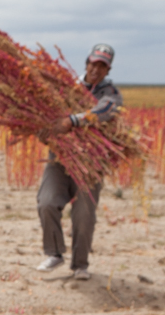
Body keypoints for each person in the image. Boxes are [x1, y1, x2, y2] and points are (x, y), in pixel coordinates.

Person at [35, 43, 123, 280]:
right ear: (86, 63)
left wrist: (73, 120)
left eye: (102, 66)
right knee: (47, 202)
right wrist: (43, 131)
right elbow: (46, 115)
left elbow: (106, 110)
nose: (96, 69)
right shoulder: (66, 88)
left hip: (91, 163)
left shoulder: (110, 93)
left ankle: (80, 265)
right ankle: (54, 253)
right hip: (60, 159)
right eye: (93, 63)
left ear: (108, 69)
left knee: (84, 215)